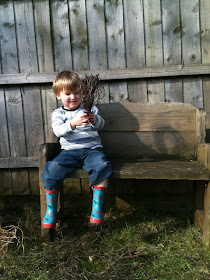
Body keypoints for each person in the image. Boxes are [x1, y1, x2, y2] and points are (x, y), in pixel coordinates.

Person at [41, 70, 112, 228]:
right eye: (67, 94)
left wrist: (94, 119)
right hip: (69, 152)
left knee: (101, 165)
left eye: (76, 93)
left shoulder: (90, 108)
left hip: (92, 150)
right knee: (51, 169)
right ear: (59, 95)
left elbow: (101, 125)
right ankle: (52, 210)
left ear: (82, 93)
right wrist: (73, 123)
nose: (73, 97)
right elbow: (58, 131)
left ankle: (97, 208)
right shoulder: (58, 113)